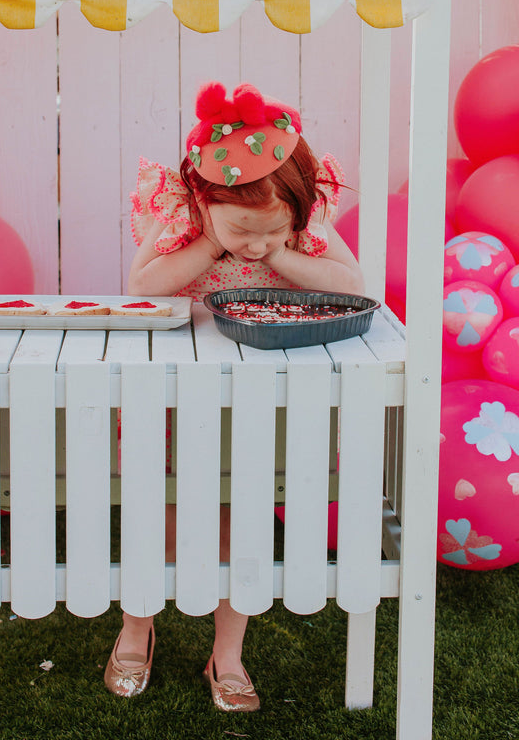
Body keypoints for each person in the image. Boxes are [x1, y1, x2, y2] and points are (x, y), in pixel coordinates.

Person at [104, 81, 364, 712]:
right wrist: (210, 244)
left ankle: (228, 653)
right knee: (156, 516)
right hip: (172, 399)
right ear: (204, 198)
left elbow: (352, 285)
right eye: (242, 230)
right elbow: (141, 285)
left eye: (271, 231)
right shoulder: (184, 217)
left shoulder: (300, 232)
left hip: (256, 404)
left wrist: (285, 254)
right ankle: (136, 628)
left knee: (239, 522)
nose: (254, 245)